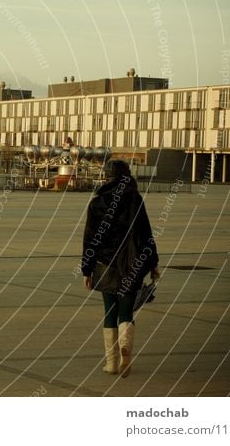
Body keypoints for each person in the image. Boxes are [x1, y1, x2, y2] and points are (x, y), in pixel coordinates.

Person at [81, 160, 161, 377]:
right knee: (126, 311)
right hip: (132, 263)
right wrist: (153, 263)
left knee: (110, 312)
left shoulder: (97, 203)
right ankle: (127, 351)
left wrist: (86, 270)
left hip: (105, 263)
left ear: (107, 177)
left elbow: (90, 240)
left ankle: (112, 363)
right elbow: (146, 233)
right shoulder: (135, 199)